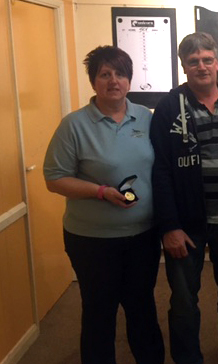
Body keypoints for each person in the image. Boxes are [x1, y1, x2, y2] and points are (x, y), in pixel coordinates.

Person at [43, 45, 164, 364]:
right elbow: (54, 178)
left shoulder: (145, 118)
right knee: (99, 312)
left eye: (120, 74)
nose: (114, 80)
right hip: (92, 242)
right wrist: (100, 191)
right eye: (105, 74)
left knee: (142, 307)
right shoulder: (74, 125)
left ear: (129, 79)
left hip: (142, 237)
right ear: (93, 81)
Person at [150, 32, 218, 364]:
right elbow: (161, 171)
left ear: (217, 62)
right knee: (184, 301)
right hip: (186, 226)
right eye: (193, 61)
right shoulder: (169, 107)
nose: (202, 66)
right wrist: (169, 226)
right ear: (184, 66)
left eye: (207, 59)